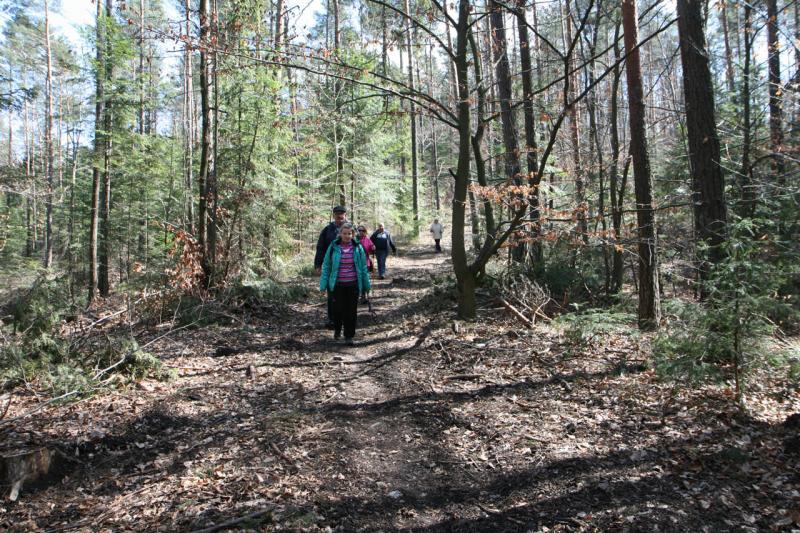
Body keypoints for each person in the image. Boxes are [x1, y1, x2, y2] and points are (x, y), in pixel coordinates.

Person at [319, 222, 371, 345]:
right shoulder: (333, 246)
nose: (347, 236)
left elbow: (363, 267)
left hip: (353, 284)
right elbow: (327, 266)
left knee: (351, 311)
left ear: (353, 234)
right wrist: (323, 284)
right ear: (340, 234)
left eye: (349, 233)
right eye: (345, 233)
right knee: (337, 310)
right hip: (337, 285)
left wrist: (366, 285)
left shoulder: (357, 247)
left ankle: (349, 336)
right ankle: (337, 329)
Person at [315, 205, 348, 329]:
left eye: (341, 215)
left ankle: (345, 319)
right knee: (332, 295)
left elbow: (358, 248)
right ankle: (332, 320)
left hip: (348, 268)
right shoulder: (327, 230)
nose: (339, 217)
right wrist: (318, 264)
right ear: (334, 216)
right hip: (331, 268)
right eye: (337, 215)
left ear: (345, 215)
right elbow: (320, 247)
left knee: (346, 295)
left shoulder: (351, 229)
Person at [357, 225, 375, 303]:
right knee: (356, 279)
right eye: (359, 230)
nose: (361, 232)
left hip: (365, 262)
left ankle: (363, 296)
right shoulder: (354, 240)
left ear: (365, 232)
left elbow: (371, 247)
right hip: (355, 263)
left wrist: (373, 247)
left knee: (364, 279)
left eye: (363, 230)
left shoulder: (367, 240)